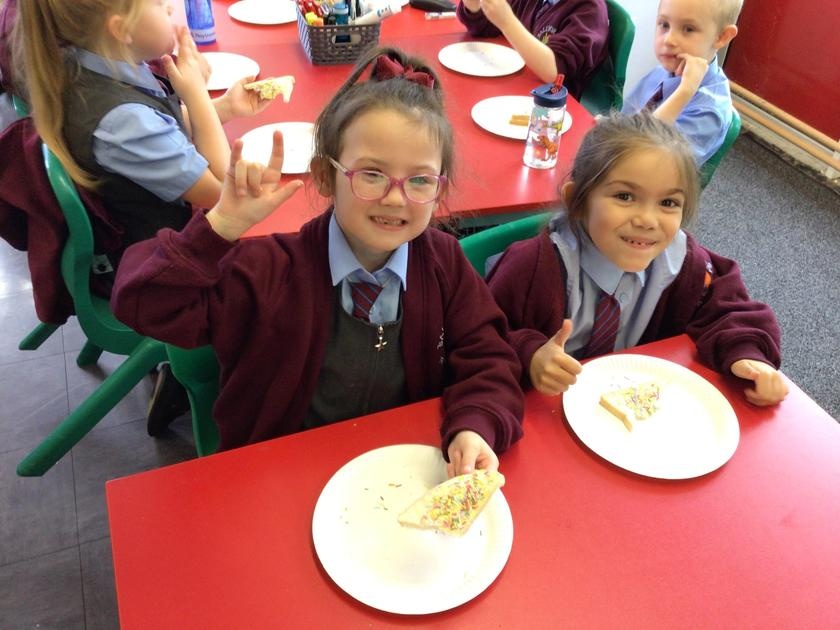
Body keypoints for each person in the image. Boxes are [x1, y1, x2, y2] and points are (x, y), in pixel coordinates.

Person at [111, 47, 525, 476]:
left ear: (440, 190)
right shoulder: (268, 271)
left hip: (403, 471)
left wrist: (475, 425)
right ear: (326, 177)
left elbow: (489, 357)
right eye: (372, 174)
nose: (395, 197)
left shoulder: (443, 264)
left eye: (420, 180)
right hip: (282, 473)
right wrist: (218, 229)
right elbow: (143, 302)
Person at [487, 111, 788, 407]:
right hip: (541, 414)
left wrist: (748, 354)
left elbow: (729, 311)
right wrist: (531, 354)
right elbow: (483, 337)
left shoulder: (684, 265)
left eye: (668, 202)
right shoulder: (532, 268)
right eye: (625, 197)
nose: (647, 220)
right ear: (576, 201)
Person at [15, 0, 277, 250]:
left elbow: (159, 126)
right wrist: (197, 95)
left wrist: (225, 107)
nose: (170, 8)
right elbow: (224, 195)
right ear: (122, 29)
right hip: (164, 262)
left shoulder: (92, 62)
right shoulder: (122, 122)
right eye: (160, 4)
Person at [621, 0, 741, 166]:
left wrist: (685, 92)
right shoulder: (663, 71)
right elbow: (625, 121)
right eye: (664, 24)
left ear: (722, 36)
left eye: (688, 29)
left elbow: (646, 160)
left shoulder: (708, 113)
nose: (669, 40)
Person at [455, 0, 609, 99]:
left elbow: (554, 72)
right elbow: (487, 26)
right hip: (513, 88)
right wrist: (475, 5)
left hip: (550, 109)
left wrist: (507, 22)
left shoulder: (589, 10)